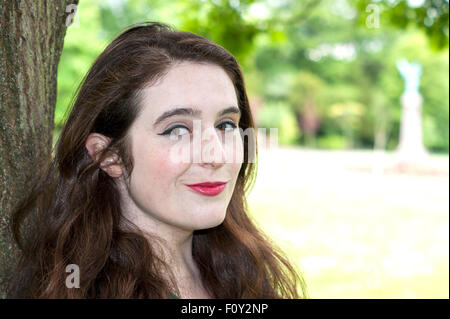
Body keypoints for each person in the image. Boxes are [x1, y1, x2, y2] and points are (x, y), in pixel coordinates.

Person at [7, 22, 307, 299]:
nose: (216, 155)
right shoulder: (79, 288)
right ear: (108, 155)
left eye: (226, 125)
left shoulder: (243, 270)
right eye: (178, 129)